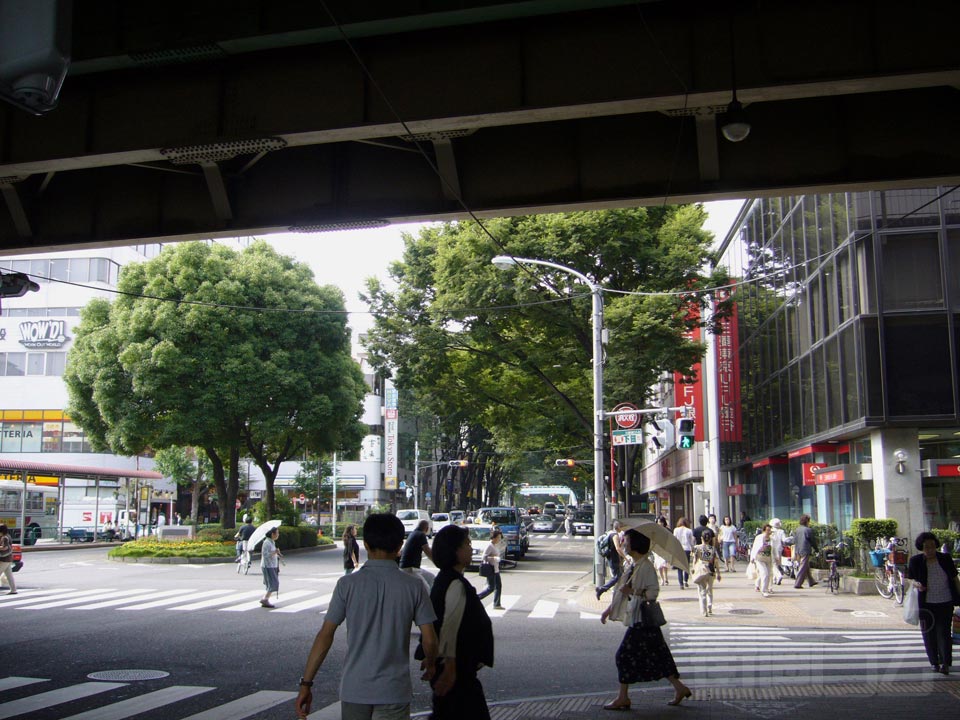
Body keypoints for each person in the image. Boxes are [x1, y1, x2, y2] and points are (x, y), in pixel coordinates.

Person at [295, 513, 439, 720]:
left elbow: (325, 636)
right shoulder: (414, 586)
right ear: (400, 546)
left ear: (366, 544)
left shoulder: (347, 585)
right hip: (394, 690)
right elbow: (430, 639)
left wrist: (306, 684)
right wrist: (431, 663)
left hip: (355, 688)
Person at [600, 527, 692, 709]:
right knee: (659, 656)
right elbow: (621, 592)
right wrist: (609, 609)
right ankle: (679, 688)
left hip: (642, 619)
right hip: (639, 618)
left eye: (626, 541)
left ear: (635, 544)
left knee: (623, 655)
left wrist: (633, 591)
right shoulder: (634, 565)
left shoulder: (646, 567)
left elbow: (652, 593)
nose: (623, 544)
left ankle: (623, 697)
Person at [428, 525, 495, 720]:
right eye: (467, 544)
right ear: (454, 550)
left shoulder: (445, 579)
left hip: (456, 668)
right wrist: (450, 667)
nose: (471, 548)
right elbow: (449, 626)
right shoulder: (455, 583)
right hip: (458, 671)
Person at [906, 531, 960, 675]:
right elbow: (910, 579)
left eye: (931, 546)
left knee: (944, 633)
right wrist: (917, 584)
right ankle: (934, 662)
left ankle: (945, 663)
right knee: (928, 633)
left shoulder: (945, 559)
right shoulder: (916, 561)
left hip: (945, 601)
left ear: (936, 545)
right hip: (925, 603)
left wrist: (959, 596)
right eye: (926, 547)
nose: (929, 550)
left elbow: (955, 578)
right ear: (921, 548)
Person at [692, 528, 721, 616]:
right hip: (711, 570)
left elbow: (694, 559)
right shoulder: (713, 549)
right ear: (710, 539)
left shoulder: (697, 548)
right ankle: (709, 606)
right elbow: (716, 562)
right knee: (710, 590)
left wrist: (693, 568)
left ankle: (704, 611)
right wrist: (719, 573)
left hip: (701, 570)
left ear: (701, 538)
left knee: (702, 591)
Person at [400, 520, 435, 588]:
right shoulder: (421, 535)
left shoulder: (412, 534)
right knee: (426, 590)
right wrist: (438, 562)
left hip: (407, 568)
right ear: (427, 528)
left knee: (431, 577)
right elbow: (427, 551)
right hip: (410, 569)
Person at [596, 521, 625, 600]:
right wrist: (625, 558)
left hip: (611, 558)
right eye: (620, 526)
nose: (621, 528)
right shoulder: (615, 536)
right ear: (617, 527)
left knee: (620, 576)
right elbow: (617, 548)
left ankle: (622, 594)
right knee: (616, 577)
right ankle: (601, 589)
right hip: (613, 559)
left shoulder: (610, 533)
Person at [477, 528, 504, 609]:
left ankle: (497, 604)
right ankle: (477, 598)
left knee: (498, 586)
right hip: (491, 569)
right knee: (491, 587)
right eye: (498, 537)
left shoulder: (494, 545)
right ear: (494, 537)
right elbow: (484, 557)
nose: (499, 539)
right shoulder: (489, 545)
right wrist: (494, 558)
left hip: (496, 569)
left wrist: (496, 558)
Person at [792, 514, 819, 589]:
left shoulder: (797, 529)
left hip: (798, 550)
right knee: (803, 566)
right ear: (807, 521)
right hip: (805, 550)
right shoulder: (808, 530)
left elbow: (794, 540)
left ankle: (811, 581)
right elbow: (812, 541)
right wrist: (816, 549)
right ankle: (798, 583)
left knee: (805, 566)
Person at [260, 526, 283, 608]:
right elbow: (265, 555)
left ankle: (265, 598)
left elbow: (272, 553)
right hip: (267, 566)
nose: (278, 534)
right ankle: (265, 599)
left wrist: (277, 553)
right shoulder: (266, 542)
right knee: (273, 583)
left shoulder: (271, 542)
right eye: (277, 533)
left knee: (271, 583)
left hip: (272, 565)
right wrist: (274, 552)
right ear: (272, 534)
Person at [750, 523, 775, 597]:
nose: (769, 532)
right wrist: (752, 557)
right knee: (764, 573)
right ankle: (764, 590)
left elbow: (775, 549)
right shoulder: (759, 538)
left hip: (768, 559)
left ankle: (761, 586)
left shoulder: (772, 539)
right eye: (767, 530)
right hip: (760, 558)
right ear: (764, 530)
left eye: (770, 530)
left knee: (768, 574)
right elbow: (755, 547)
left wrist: (777, 557)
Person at [672, 517, 694, 589]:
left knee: (679, 567)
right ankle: (686, 581)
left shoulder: (676, 530)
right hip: (687, 549)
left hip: (679, 549)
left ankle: (681, 583)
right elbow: (691, 541)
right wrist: (692, 548)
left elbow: (674, 540)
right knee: (686, 566)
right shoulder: (689, 530)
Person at [769, 518, 788, 586]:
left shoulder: (770, 531)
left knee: (773, 564)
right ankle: (775, 579)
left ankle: (778, 575)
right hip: (779, 549)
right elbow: (784, 540)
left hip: (771, 549)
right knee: (777, 563)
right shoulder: (781, 531)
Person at [0, 524, 17, 595]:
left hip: (4, 559)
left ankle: (13, 590)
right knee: (9, 575)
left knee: (9, 575)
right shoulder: (8, 536)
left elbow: (5, 547)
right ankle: (13, 590)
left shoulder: (4, 538)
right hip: (9, 558)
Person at [653, 517, 670, 586]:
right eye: (658, 522)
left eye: (661, 522)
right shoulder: (655, 531)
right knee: (659, 565)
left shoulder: (667, 530)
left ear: (664, 522)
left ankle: (666, 578)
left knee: (664, 564)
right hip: (657, 549)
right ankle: (662, 579)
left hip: (665, 548)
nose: (660, 523)